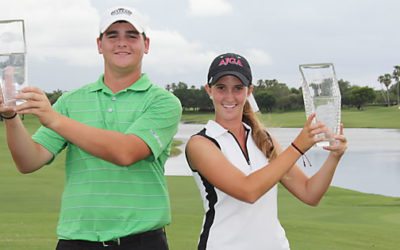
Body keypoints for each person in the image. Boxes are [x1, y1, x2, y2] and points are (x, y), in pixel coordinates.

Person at [0, 6, 181, 250]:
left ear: (146, 44)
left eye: (131, 35)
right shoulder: (71, 101)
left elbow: (126, 152)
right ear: (99, 44)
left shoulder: (163, 102)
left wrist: (54, 119)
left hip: (141, 241)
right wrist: (11, 117)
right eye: (112, 35)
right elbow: (29, 161)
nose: (122, 42)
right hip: (77, 241)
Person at [185, 52, 347, 250]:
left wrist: (334, 156)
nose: (229, 96)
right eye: (221, 88)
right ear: (209, 90)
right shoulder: (201, 144)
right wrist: (297, 147)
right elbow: (248, 190)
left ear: (249, 91)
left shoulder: (263, 140)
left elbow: (310, 193)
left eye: (238, 88)